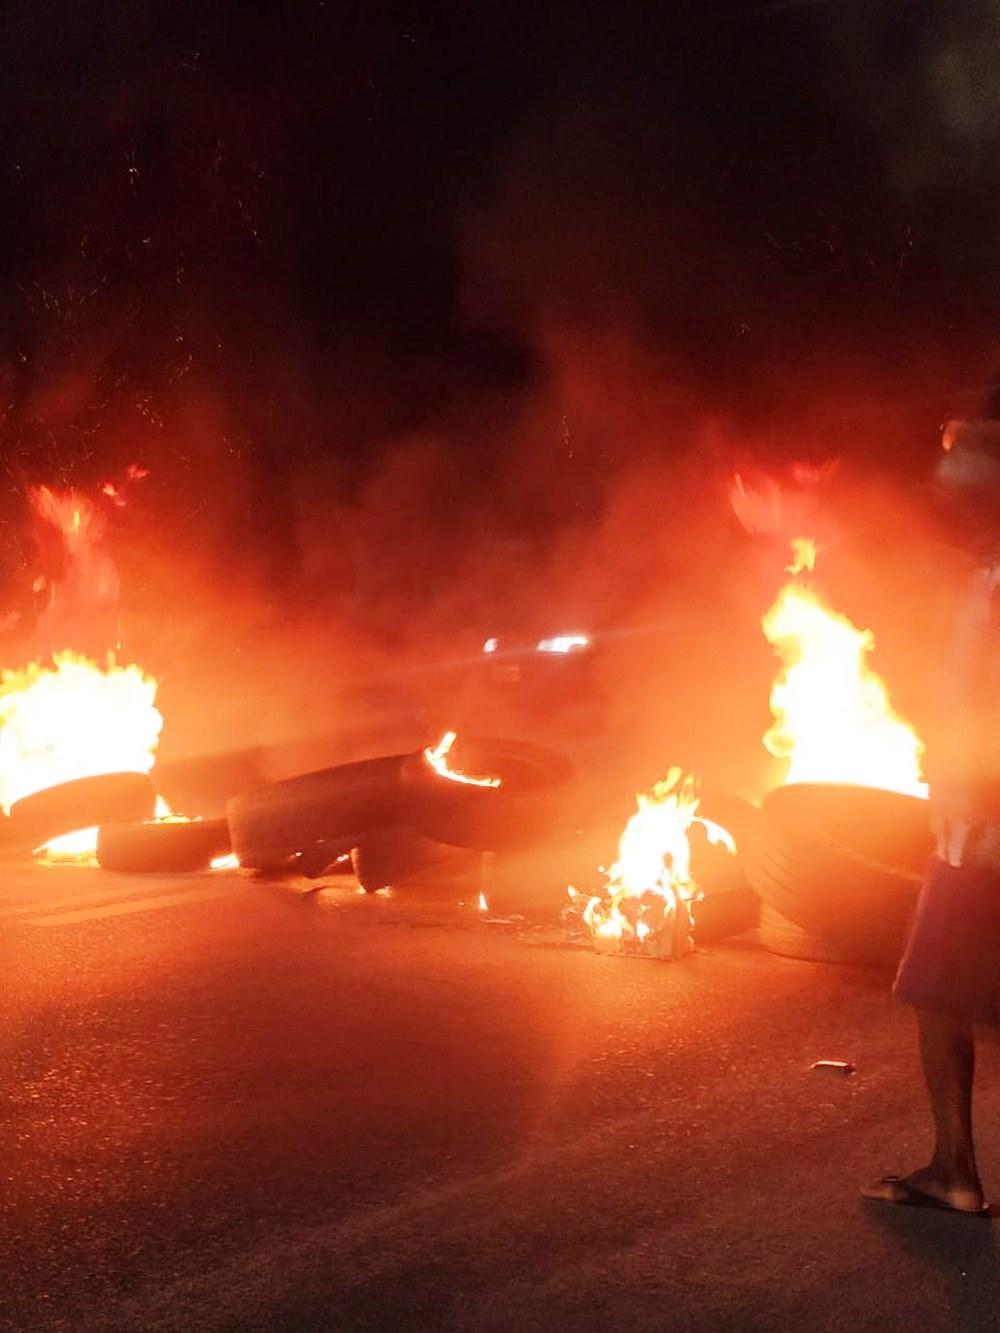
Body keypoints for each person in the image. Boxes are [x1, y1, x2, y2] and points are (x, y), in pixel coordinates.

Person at [863, 400, 1000, 1217]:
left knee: (939, 986)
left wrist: (972, 797)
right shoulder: (982, 568)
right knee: (947, 986)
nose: (943, 473)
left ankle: (955, 1171)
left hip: (983, 817)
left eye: (960, 456)